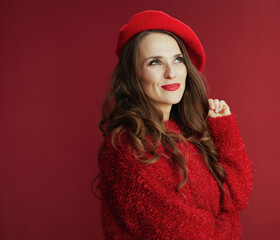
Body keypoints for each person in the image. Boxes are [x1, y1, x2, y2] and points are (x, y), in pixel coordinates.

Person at [97, 10, 253, 240]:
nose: (171, 73)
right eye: (155, 62)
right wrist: (229, 224)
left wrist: (224, 131)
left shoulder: (186, 132)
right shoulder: (129, 148)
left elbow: (237, 194)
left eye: (177, 59)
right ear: (133, 75)